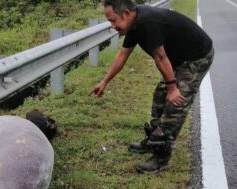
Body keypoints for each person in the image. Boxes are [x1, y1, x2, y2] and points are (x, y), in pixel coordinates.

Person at [89, 0, 214, 173]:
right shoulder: (134, 24)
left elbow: (160, 57)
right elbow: (122, 55)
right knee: (160, 95)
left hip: (197, 57)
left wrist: (173, 88)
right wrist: (105, 81)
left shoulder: (148, 22)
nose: (112, 26)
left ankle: (161, 156)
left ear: (125, 13)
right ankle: (153, 140)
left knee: (175, 104)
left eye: (113, 20)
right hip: (178, 59)